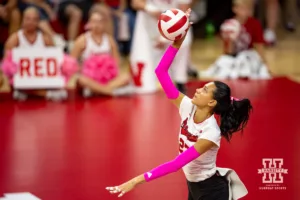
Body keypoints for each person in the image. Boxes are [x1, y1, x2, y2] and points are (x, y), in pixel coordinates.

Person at [106, 9, 252, 199]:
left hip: (211, 191)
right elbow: (161, 72)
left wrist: (135, 181)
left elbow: (176, 164)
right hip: (194, 187)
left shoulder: (210, 133)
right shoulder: (188, 106)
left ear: (212, 102)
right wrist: (177, 42)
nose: (198, 90)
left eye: (205, 90)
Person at [4, 7, 67, 101]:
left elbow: (55, 60)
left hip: (41, 78)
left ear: (38, 22)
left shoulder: (45, 39)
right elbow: (6, 65)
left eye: (34, 19)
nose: (30, 22)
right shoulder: (15, 39)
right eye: (28, 19)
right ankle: (47, 94)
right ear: (23, 20)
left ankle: (34, 92)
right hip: (22, 79)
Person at [130, 0, 192, 94]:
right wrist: (151, 9)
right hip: (148, 24)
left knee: (185, 40)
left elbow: (183, 11)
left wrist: (165, 37)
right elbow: (135, 3)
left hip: (172, 24)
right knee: (146, 83)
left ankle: (180, 80)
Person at [201, 0, 271, 80]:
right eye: (243, 8)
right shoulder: (229, 25)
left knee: (247, 62)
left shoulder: (255, 24)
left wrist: (265, 64)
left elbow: (259, 46)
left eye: (249, 9)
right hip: (233, 56)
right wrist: (230, 39)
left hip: (248, 56)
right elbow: (228, 51)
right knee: (224, 63)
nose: (246, 11)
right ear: (235, 9)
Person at [70, 9, 133, 97]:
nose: (97, 25)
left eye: (100, 22)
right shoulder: (82, 40)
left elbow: (116, 61)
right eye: (94, 21)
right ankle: (109, 91)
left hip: (107, 78)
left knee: (127, 77)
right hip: (89, 78)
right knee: (81, 80)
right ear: (89, 23)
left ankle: (100, 90)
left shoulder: (110, 40)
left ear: (104, 24)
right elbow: (70, 62)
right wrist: (80, 68)